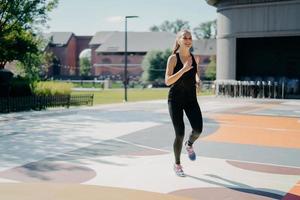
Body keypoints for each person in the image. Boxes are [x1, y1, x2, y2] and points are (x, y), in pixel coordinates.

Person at [165, 30, 203, 177]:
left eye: (190, 38)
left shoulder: (194, 58)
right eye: (184, 38)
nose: (188, 40)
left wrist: (198, 80)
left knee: (198, 130)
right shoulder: (173, 59)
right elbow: (168, 81)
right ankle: (177, 164)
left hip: (191, 99)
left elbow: (195, 73)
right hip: (175, 100)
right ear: (179, 40)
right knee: (179, 133)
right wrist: (183, 69)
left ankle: (190, 145)